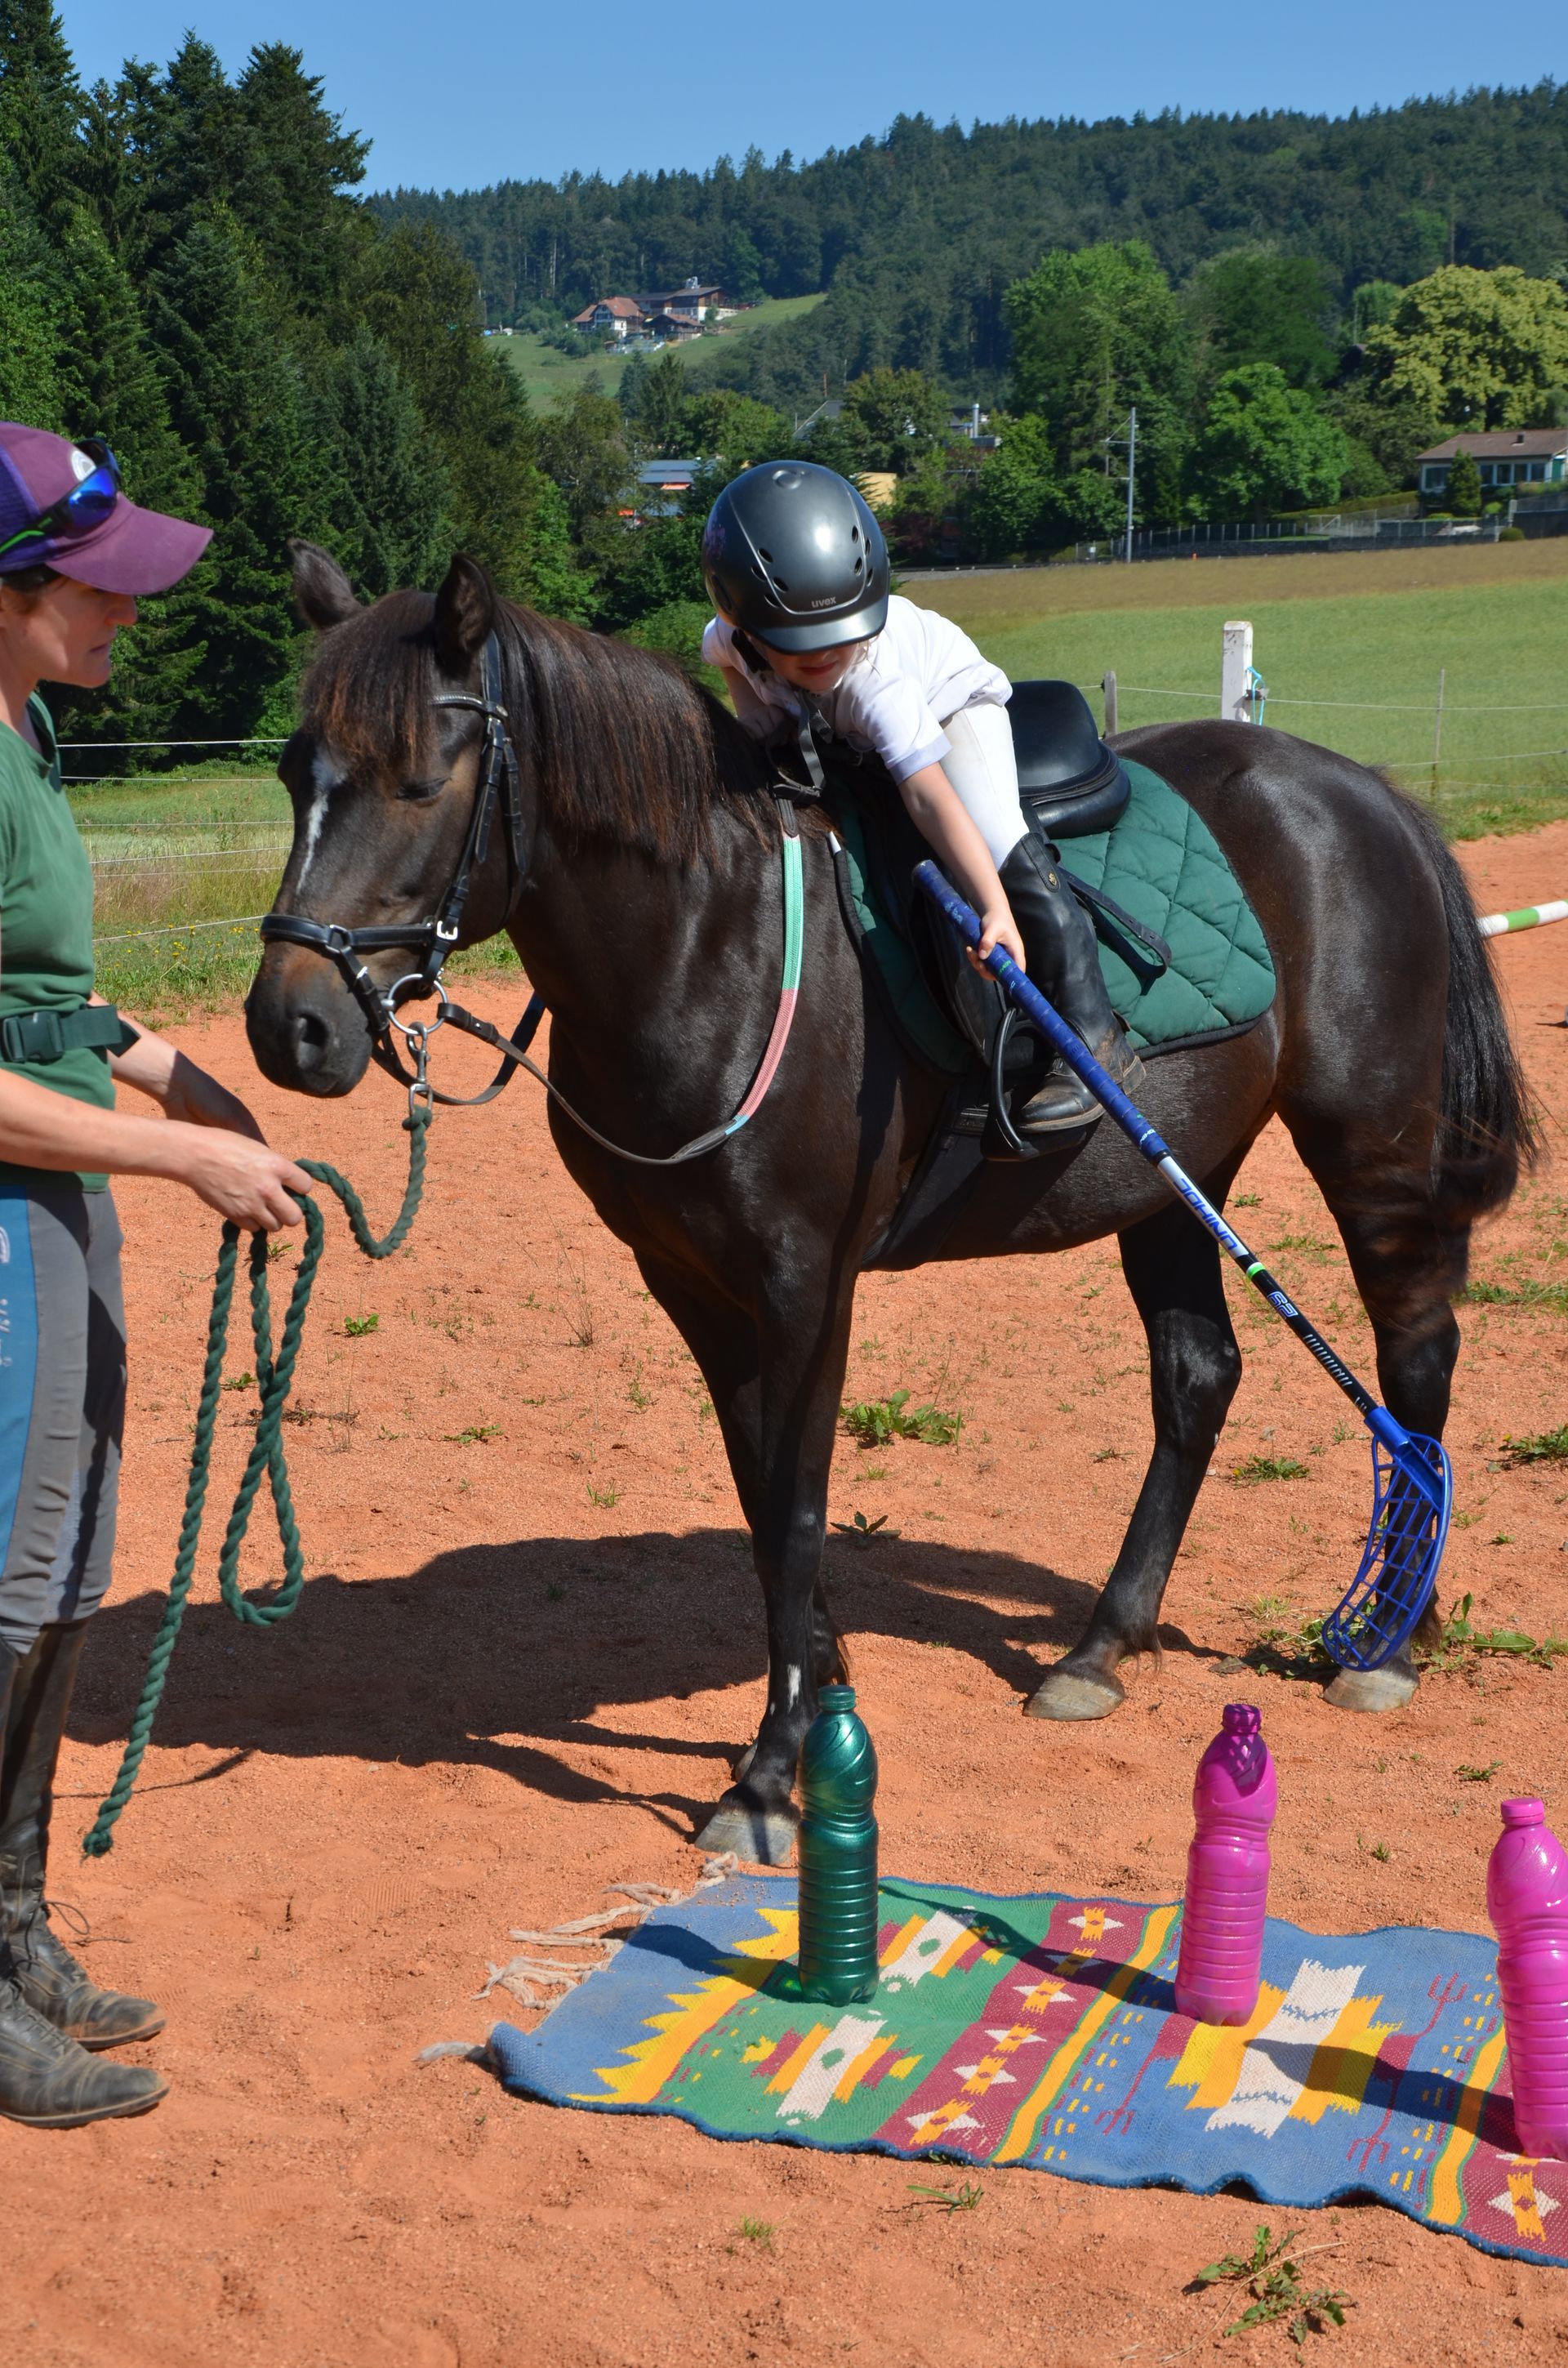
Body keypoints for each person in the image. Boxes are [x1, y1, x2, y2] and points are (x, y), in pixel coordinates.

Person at [0, 422, 314, 2128]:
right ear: (6, 590)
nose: (128, 617)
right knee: (0, 1580)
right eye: (95, 589)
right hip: (3, 1210)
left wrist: (172, 1070)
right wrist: (186, 1155)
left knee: (57, 1573)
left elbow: (33, 995)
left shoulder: (26, 725)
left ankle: (13, 1923)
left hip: (58, 1187)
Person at [701, 460, 1143, 1132]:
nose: (827, 657)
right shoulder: (732, 638)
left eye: (842, 635)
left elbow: (930, 800)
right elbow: (725, 662)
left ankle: (1094, 1034)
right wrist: (763, 725)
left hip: (949, 705)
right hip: (845, 733)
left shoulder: (877, 683)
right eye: (799, 649)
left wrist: (992, 908)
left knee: (991, 828)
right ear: (751, 626)